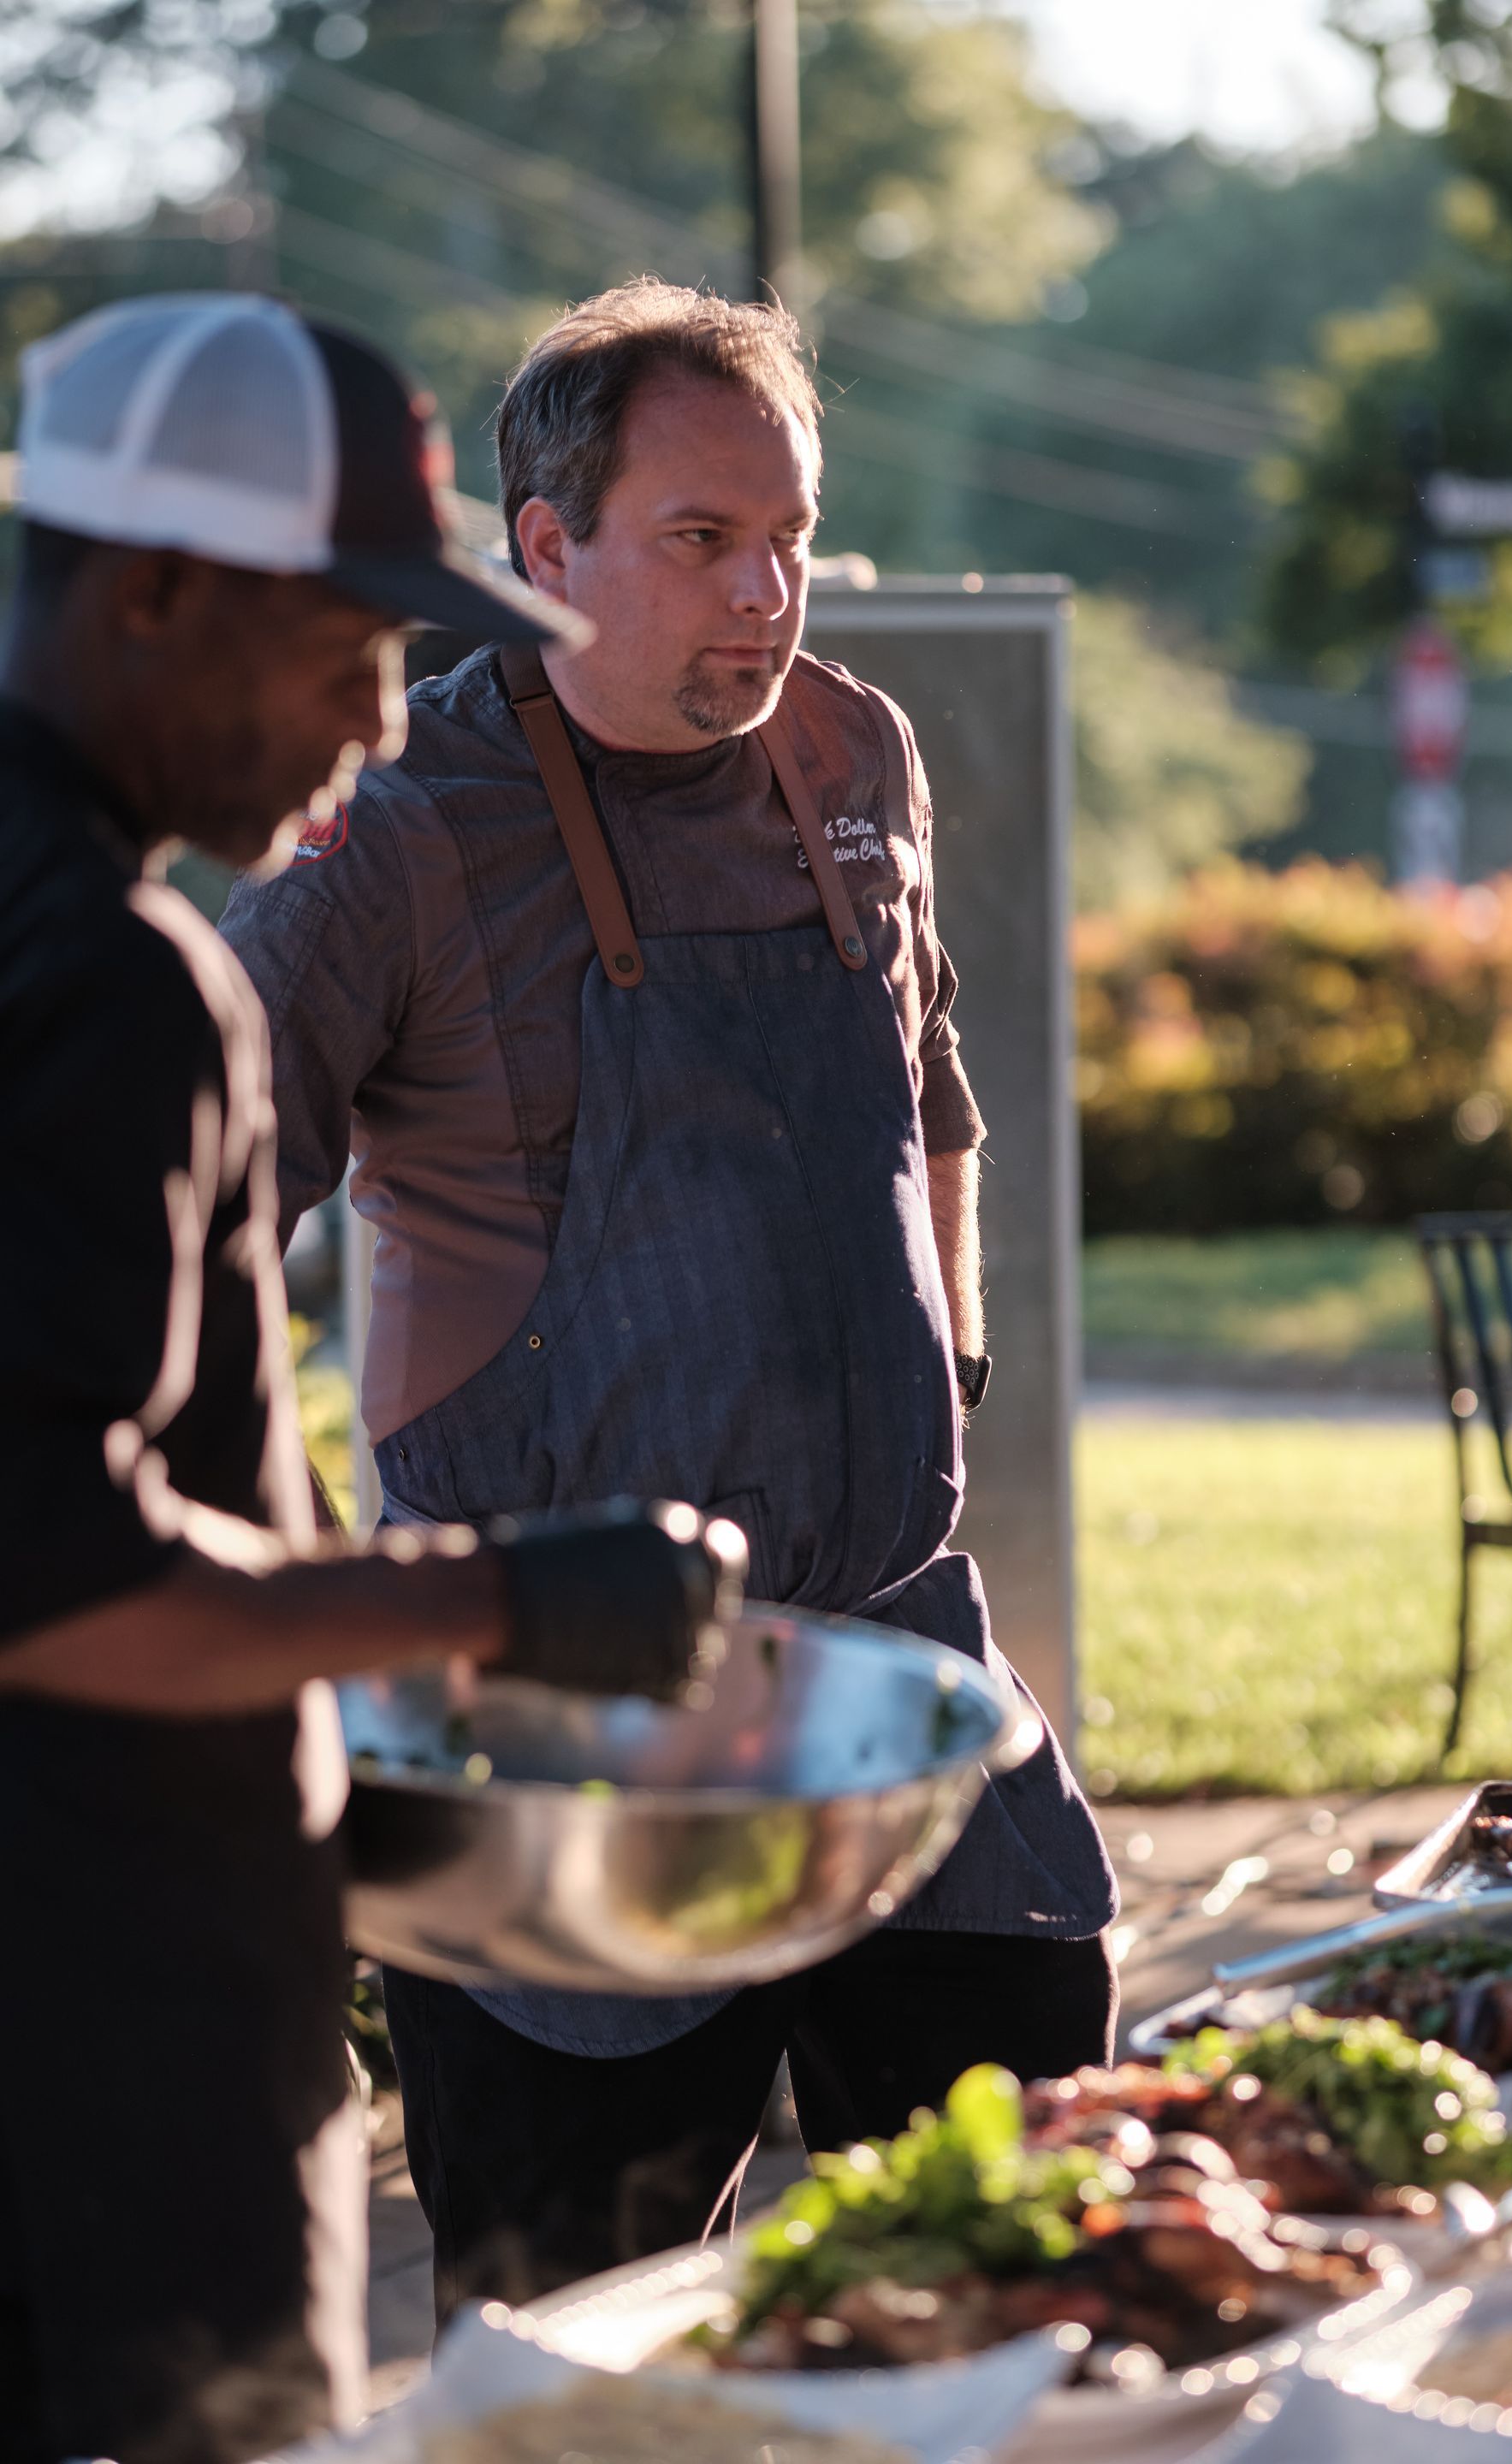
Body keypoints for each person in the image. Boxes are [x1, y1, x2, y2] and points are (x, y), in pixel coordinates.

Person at [221, 276, 1120, 2317]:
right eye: (702, 543)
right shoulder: (400, 832)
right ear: (543, 548)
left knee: (1041, 2304)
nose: (766, 596)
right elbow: (181, 1219)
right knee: (577, 2383)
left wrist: (944, 1375)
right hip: (552, 1739)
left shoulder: (857, 758)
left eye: (789, 536)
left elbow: (940, 1090)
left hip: (900, 1669)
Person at [0, 293, 740, 2464]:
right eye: (346, 645)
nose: (381, 716)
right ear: (153, 594)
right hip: (101, 2069)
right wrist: (502, 1602)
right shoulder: (127, 989)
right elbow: (50, 1571)